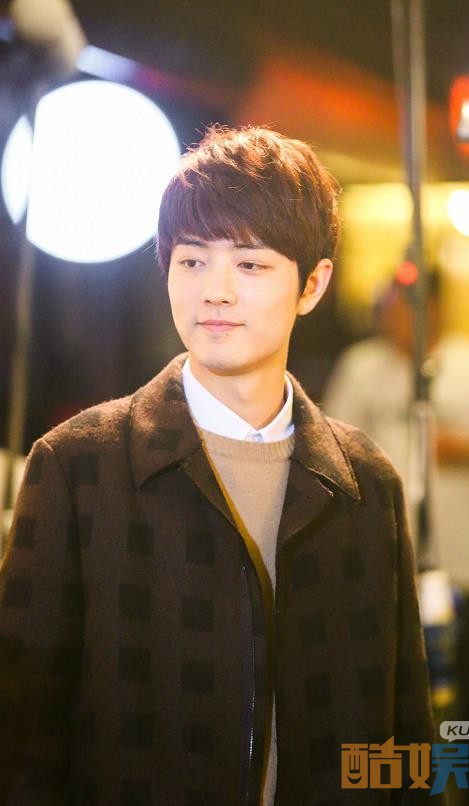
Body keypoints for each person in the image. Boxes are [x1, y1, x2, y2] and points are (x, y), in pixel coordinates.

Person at [0, 126, 441, 805]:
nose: (215, 291)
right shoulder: (79, 466)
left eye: (250, 265)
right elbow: (21, 731)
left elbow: (403, 730)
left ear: (313, 284)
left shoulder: (364, 480)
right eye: (191, 260)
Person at [323, 273, 469, 784]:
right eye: (388, 307)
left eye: (407, 306)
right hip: (384, 562)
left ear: (435, 307)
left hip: (468, 560)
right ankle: (404, 786)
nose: (394, 318)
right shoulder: (361, 367)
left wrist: (465, 448)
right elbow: (326, 448)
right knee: (388, 690)